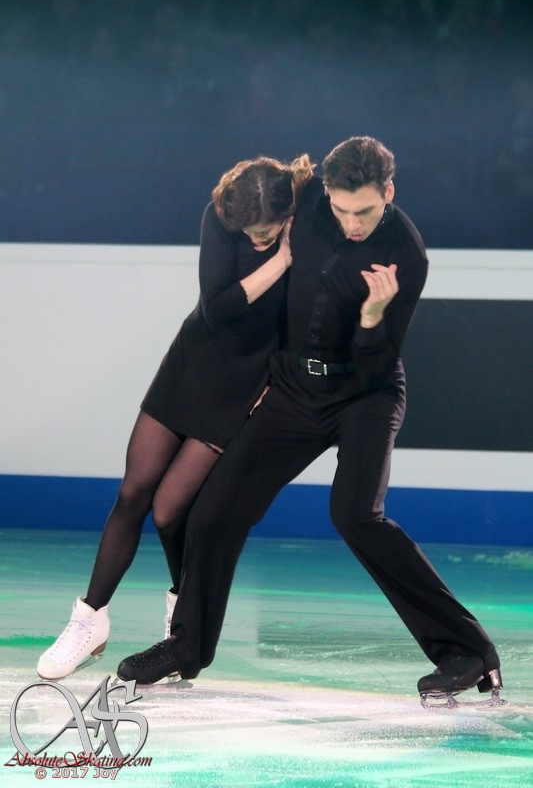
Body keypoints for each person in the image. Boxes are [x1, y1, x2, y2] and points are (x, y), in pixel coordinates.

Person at [117, 136, 503, 708]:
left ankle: (467, 651)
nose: (352, 224)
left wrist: (372, 317)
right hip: (295, 389)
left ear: (389, 192)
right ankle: (187, 646)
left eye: (365, 211)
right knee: (215, 510)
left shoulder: (406, 253)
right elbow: (242, 203)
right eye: (342, 210)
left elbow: (378, 363)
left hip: (365, 393)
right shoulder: (304, 202)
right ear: (325, 192)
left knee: (355, 515)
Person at [37, 154, 315, 681]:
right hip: (191, 364)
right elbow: (218, 308)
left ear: (286, 212)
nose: (255, 238)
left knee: (169, 511)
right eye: (249, 231)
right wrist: (281, 258)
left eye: (265, 230)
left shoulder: (308, 221)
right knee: (133, 491)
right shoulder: (223, 215)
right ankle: (89, 619)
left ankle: (182, 620)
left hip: (241, 387)